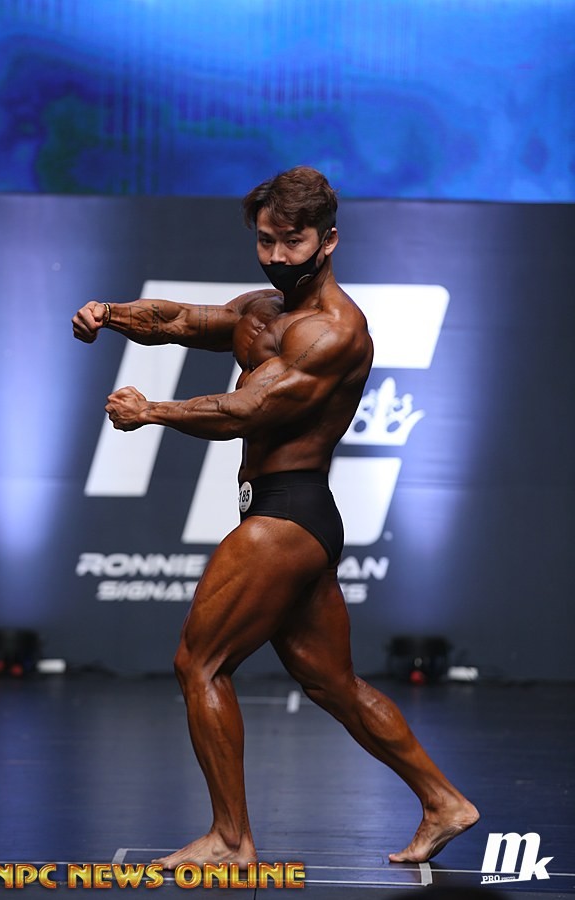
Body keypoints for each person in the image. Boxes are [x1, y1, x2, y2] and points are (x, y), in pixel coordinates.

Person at [72, 166, 478, 869]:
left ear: (328, 241)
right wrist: (109, 313)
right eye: (266, 241)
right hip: (287, 517)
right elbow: (179, 321)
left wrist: (153, 411)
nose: (277, 255)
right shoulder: (262, 310)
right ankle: (444, 802)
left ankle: (231, 839)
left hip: (287, 516)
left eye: (293, 242)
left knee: (199, 663)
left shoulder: (335, 333)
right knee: (332, 684)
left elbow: (248, 410)